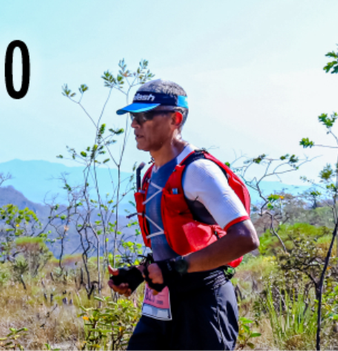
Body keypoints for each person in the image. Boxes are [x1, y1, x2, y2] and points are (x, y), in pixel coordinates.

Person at [107, 79, 259, 350]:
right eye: (133, 116)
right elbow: (173, 246)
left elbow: (245, 238)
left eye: (145, 115)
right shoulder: (151, 173)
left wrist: (175, 267)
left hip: (203, 303)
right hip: (163, 303)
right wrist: (141, 273)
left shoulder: (199, 171)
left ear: (175, 119)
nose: (134, 124)